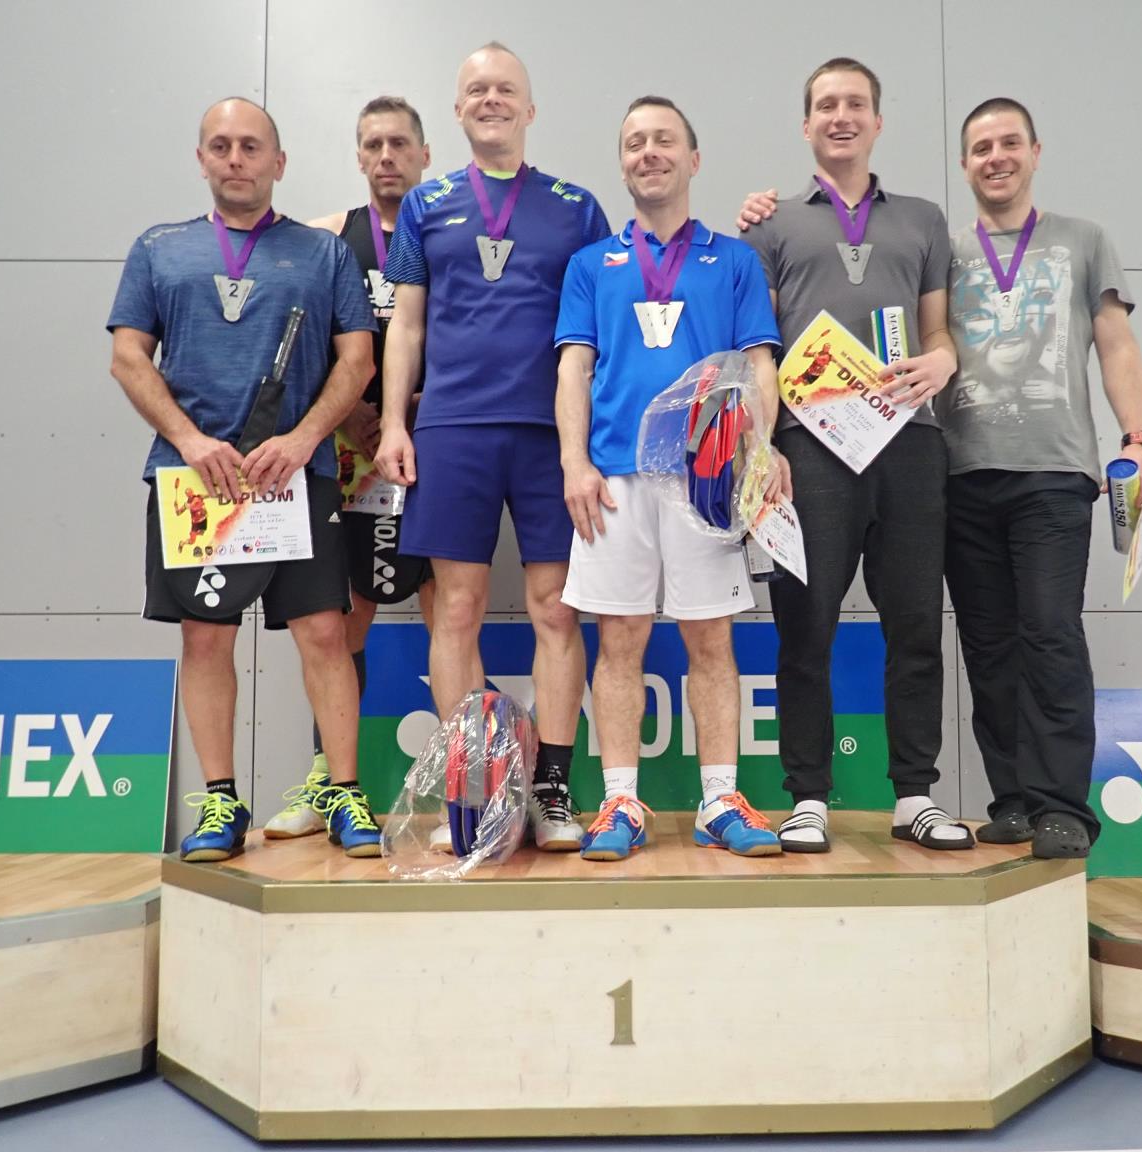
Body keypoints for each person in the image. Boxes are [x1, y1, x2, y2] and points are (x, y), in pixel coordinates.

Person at [107, 97, 382, 861]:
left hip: (296, 476)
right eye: (221, 146)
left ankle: (343, 791)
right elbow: (128, 357)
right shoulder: (159, 248)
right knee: (206, 637)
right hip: (195, 485)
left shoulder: (322, 253)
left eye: (251, 146)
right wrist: (191, 441)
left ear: (278, 162)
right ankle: (222, 801)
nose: (236, 159)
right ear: (201, 158)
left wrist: (302, 439)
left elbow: (358, 360)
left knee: (324, 631)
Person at [375, 44, 611, 853]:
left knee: (556, 609)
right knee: (457, 609)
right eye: (476, 89)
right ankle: (469, 796)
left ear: (529, 107)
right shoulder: (425, 203)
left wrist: (592, 443)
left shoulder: (576, 207)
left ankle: (551, 793)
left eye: (505, 88)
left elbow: (599, 329)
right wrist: (395, 422)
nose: (491, 99)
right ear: (458, 109)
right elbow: (406, 323)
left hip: (551, 434)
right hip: (452, 428)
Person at [737, 58, 970, 853]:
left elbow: (937, 330)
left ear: (878, 120)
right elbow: (759, 346)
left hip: (909, 444)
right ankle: (807, 797)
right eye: (827, 105)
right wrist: (763, 447)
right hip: (809, 450)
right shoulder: (770, 224)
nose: (842, 116)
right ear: (806, 124)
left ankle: (915, 796)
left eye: (856, 104)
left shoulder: (924, 219)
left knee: (916, 625)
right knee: (805, 629)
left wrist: (943, 361)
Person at [554, 97, 787, 861]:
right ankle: (620, 802)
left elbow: (759, 366)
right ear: (622, 162)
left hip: (706, 478)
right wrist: (575, 462)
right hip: (614, 481)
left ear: (694, 158)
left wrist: (760, 450)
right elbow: (574, 368)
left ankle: (720, 801)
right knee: (619, 640)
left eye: (663, 140)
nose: (647, 152)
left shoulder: (735, 260)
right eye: (634, 143)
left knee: (710, 639)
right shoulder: (590, 265)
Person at [943, 98, 1142, 858]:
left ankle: (1062, 806)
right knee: (988, 645)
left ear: (1035, 152)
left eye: (1009, 143)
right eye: (981, 148)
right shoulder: (944, 252)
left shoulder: (1083, 240)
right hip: (961, 474)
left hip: (1055, 474)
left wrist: (1137, 440)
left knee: (1050, 634)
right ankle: (1012, 799)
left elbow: (1116, 343)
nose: (995, 157)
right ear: (964, 164)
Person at [264, 95, 437, 841]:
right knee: (344, 618)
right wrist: (353, 417)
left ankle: (466, 793)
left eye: (399, 143)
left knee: (447, 612)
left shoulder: (448, 231)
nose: (386, 156)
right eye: (373, 145)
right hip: (350, 451)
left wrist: (418, 410)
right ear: (359, 156)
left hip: (436, 442)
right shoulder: (330, 238)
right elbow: (310, 349)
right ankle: (329, 782)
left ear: (425, 154)